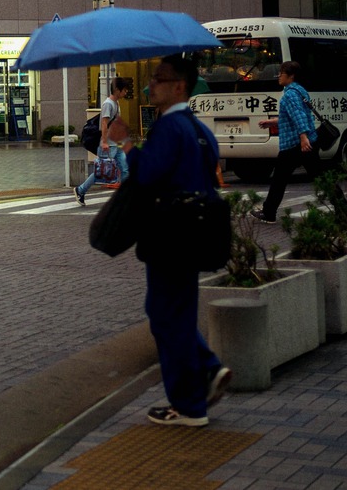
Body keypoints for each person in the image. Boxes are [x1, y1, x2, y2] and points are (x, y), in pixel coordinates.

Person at [130, 55, 231, 427]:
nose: (150, 85)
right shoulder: (198, 129)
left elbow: (147, 177)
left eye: (159, 79)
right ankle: (204, 375)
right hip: (195, 233)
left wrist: (127, 145)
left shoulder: (168, 129)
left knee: (164, 315)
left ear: (179, 87)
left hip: (168, 236)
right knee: (177, 312)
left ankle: (190, 401)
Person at [255, 61, 314, 223]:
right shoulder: (300, 90)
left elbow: (298, 116)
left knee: (279, 180)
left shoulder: (289, 94)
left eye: (281, 73)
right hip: (304, 142)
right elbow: (292, 116)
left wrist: (303, 137)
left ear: (291, 75)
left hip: (293, 144)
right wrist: (273, 122)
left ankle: (268, 213)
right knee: (320, 175)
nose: (278, 76)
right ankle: (343, 208)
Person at [77, 77, 133, 206]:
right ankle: (80, 190)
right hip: (107, 144)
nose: (125, 93)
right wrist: (104, 142)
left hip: (115, 144)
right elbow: (104, 123)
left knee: (124, 169)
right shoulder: (108, 104)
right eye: (124, 90)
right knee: (102, 172)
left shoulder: (116, 103)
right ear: (117, 90)